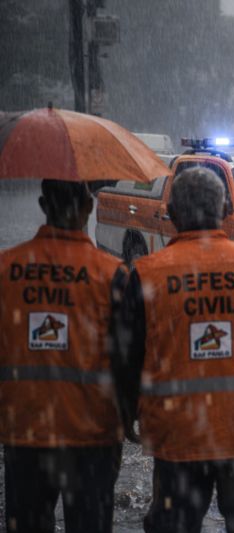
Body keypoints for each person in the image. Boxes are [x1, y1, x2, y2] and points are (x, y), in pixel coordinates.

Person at [111, 167, 234, 533]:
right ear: (223, 209)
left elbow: (127, 356)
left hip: (177, 437)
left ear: (171, 213)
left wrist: (126, 411)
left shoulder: (147, 273)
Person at [0, 180, 123, 533]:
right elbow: (128, 356)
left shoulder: (7, 268)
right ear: (89, 207)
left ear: (42, 204)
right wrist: (127, 418)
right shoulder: (111, 274)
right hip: (92, 434)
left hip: (24, 431)